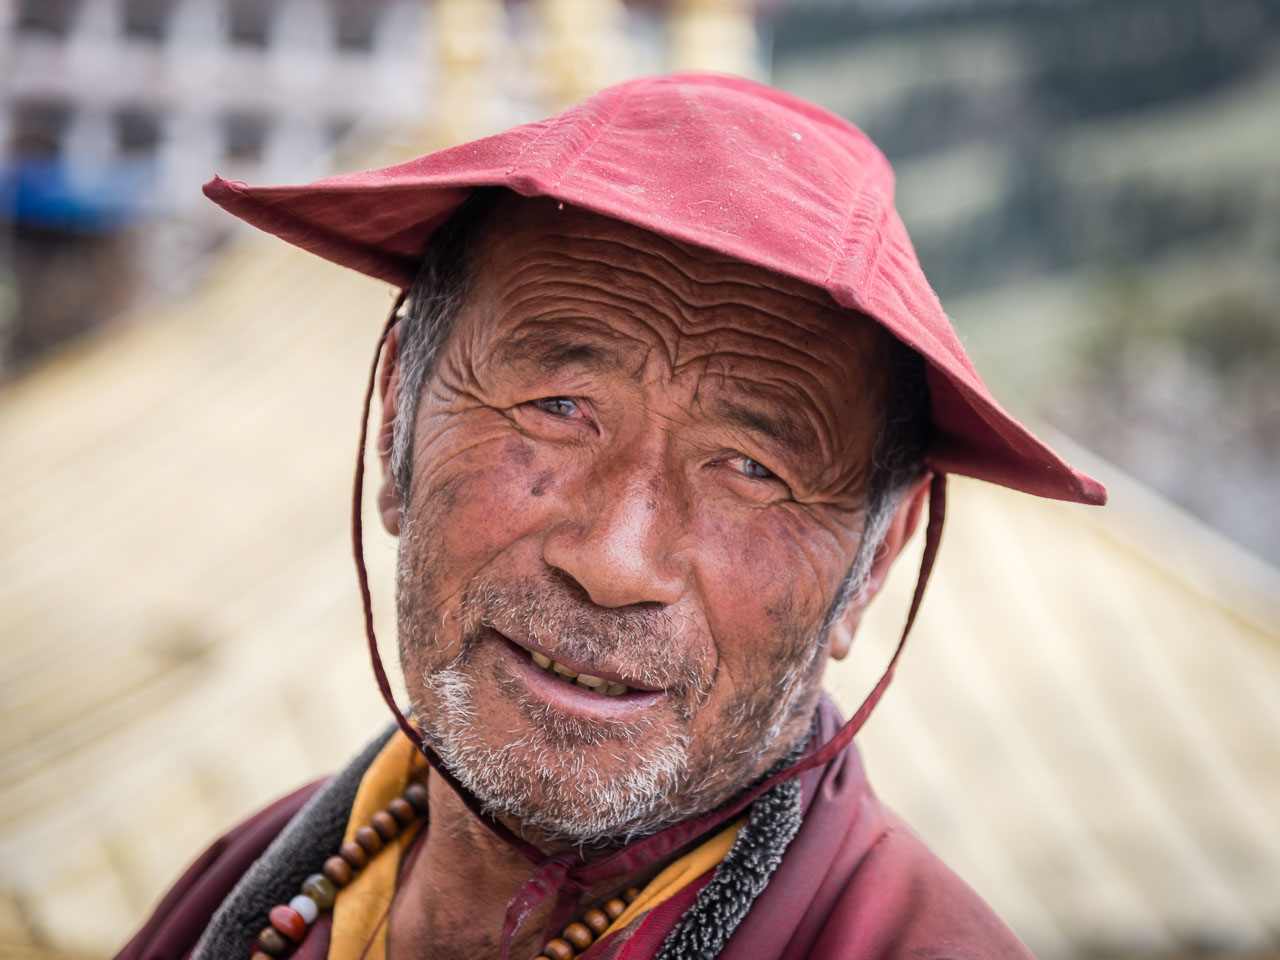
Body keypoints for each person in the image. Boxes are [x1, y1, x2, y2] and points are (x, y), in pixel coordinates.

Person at [118, 73, 1105, 960]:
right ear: (394, 423)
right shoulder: (246, 887)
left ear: (874, 561)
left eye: (749, 468)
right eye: (557, 409)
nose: (615, 560)